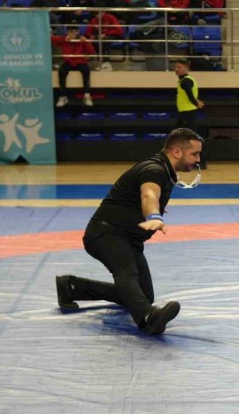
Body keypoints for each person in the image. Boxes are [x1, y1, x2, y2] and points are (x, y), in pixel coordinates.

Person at [55, 128, 203, 335]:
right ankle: (147, 318)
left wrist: (156, 208)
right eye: (194, 154)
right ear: (177, 152)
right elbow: (148, 195)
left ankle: (72, 287)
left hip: (126, 236)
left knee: (143, 295)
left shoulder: (164, 170)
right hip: (106, 233)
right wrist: (154, 216)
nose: (198, 160)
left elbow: (145, 196)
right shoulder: (155, 170)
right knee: (127, 274)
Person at [52, 24, 95, 108]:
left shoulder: (82, 39)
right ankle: (63, 96)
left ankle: (87, 95)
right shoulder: (64, 39)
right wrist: (64, 39)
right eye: (71, 31)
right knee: (61, 71)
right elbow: (52, 39)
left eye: (75, 31)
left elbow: (91, 51)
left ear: (78, 32)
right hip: (68, 61)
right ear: (67, 32)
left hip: (80, 61)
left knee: (86, 70)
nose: (73, 33)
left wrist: (86, 42)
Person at [174, 60, 207, 168]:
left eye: (179, 67)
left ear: (186, 68)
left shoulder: (185, 81)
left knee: (191, 139)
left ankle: (200, 162)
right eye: (175, 67)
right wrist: (197, 102)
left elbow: (189, 94)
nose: (176, 69)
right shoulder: (186, 80)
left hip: (187, 113)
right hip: (185, 113)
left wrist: (196, 103)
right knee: (180, 138)